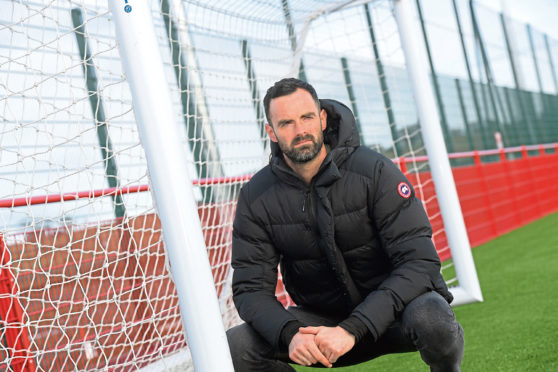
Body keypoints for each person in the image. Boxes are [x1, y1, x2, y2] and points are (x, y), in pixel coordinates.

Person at [227, 78, 464, 371]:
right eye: (286, 123)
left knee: (432, 316)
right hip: (322, 328)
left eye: (307, 117)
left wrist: (354, 328)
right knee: (237, 347)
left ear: (323, 119)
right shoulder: (256, 196)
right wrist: (289, 334)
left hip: (393, 316)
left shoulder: (375, 171)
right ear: (271, 133)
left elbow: (420, 264)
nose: (300, 130)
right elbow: (251, 289)